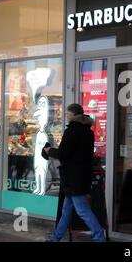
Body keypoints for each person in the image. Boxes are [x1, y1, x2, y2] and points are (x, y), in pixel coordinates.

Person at [43, 103, 105, 242]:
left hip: (73, 179)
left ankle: (99, 237)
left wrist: (48, 151)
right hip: (82, 176)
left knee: (83, 211)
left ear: (73, 115)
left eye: (67, 114)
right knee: (66, 212)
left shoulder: (71, 131)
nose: (66, 116)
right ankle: (55, 238)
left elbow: (63, 154)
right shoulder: (88, 132)